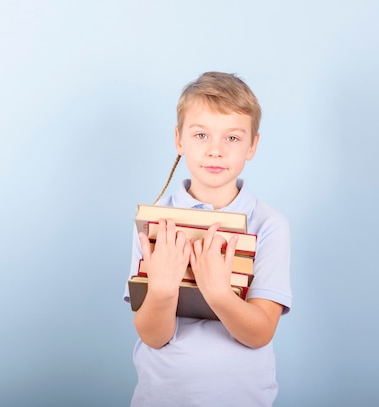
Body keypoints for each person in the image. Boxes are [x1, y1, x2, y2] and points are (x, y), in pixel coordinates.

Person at [124, 71, 292, 406]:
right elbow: (153, 336)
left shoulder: (270, 224)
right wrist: (163, 289)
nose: (215, 151)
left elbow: (260, 333)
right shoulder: (154, 221)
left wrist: (218, 293)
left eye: (232, 138)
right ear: (179, 139)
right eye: (201, 135)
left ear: (252, 145)